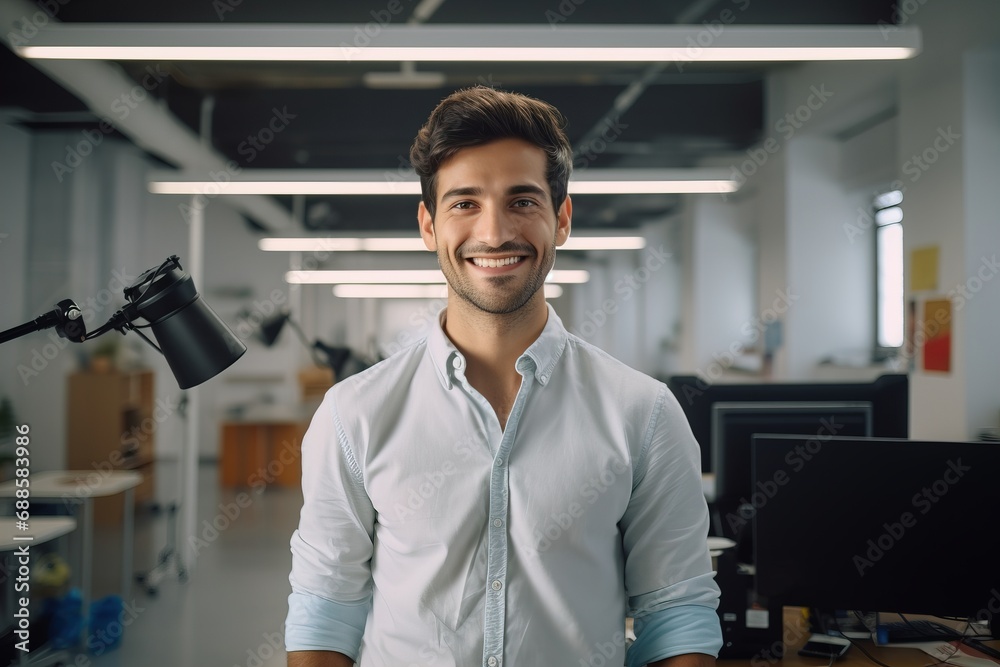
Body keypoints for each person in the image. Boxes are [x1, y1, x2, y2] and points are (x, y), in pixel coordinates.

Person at [285, 86, 722, 667]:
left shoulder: (645, 413)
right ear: (428, 225)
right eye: (464, 203)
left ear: (561, 219)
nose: (493, 234)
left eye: (522, 201)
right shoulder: (353, 414)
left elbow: (676, 614)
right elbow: (324, 612)